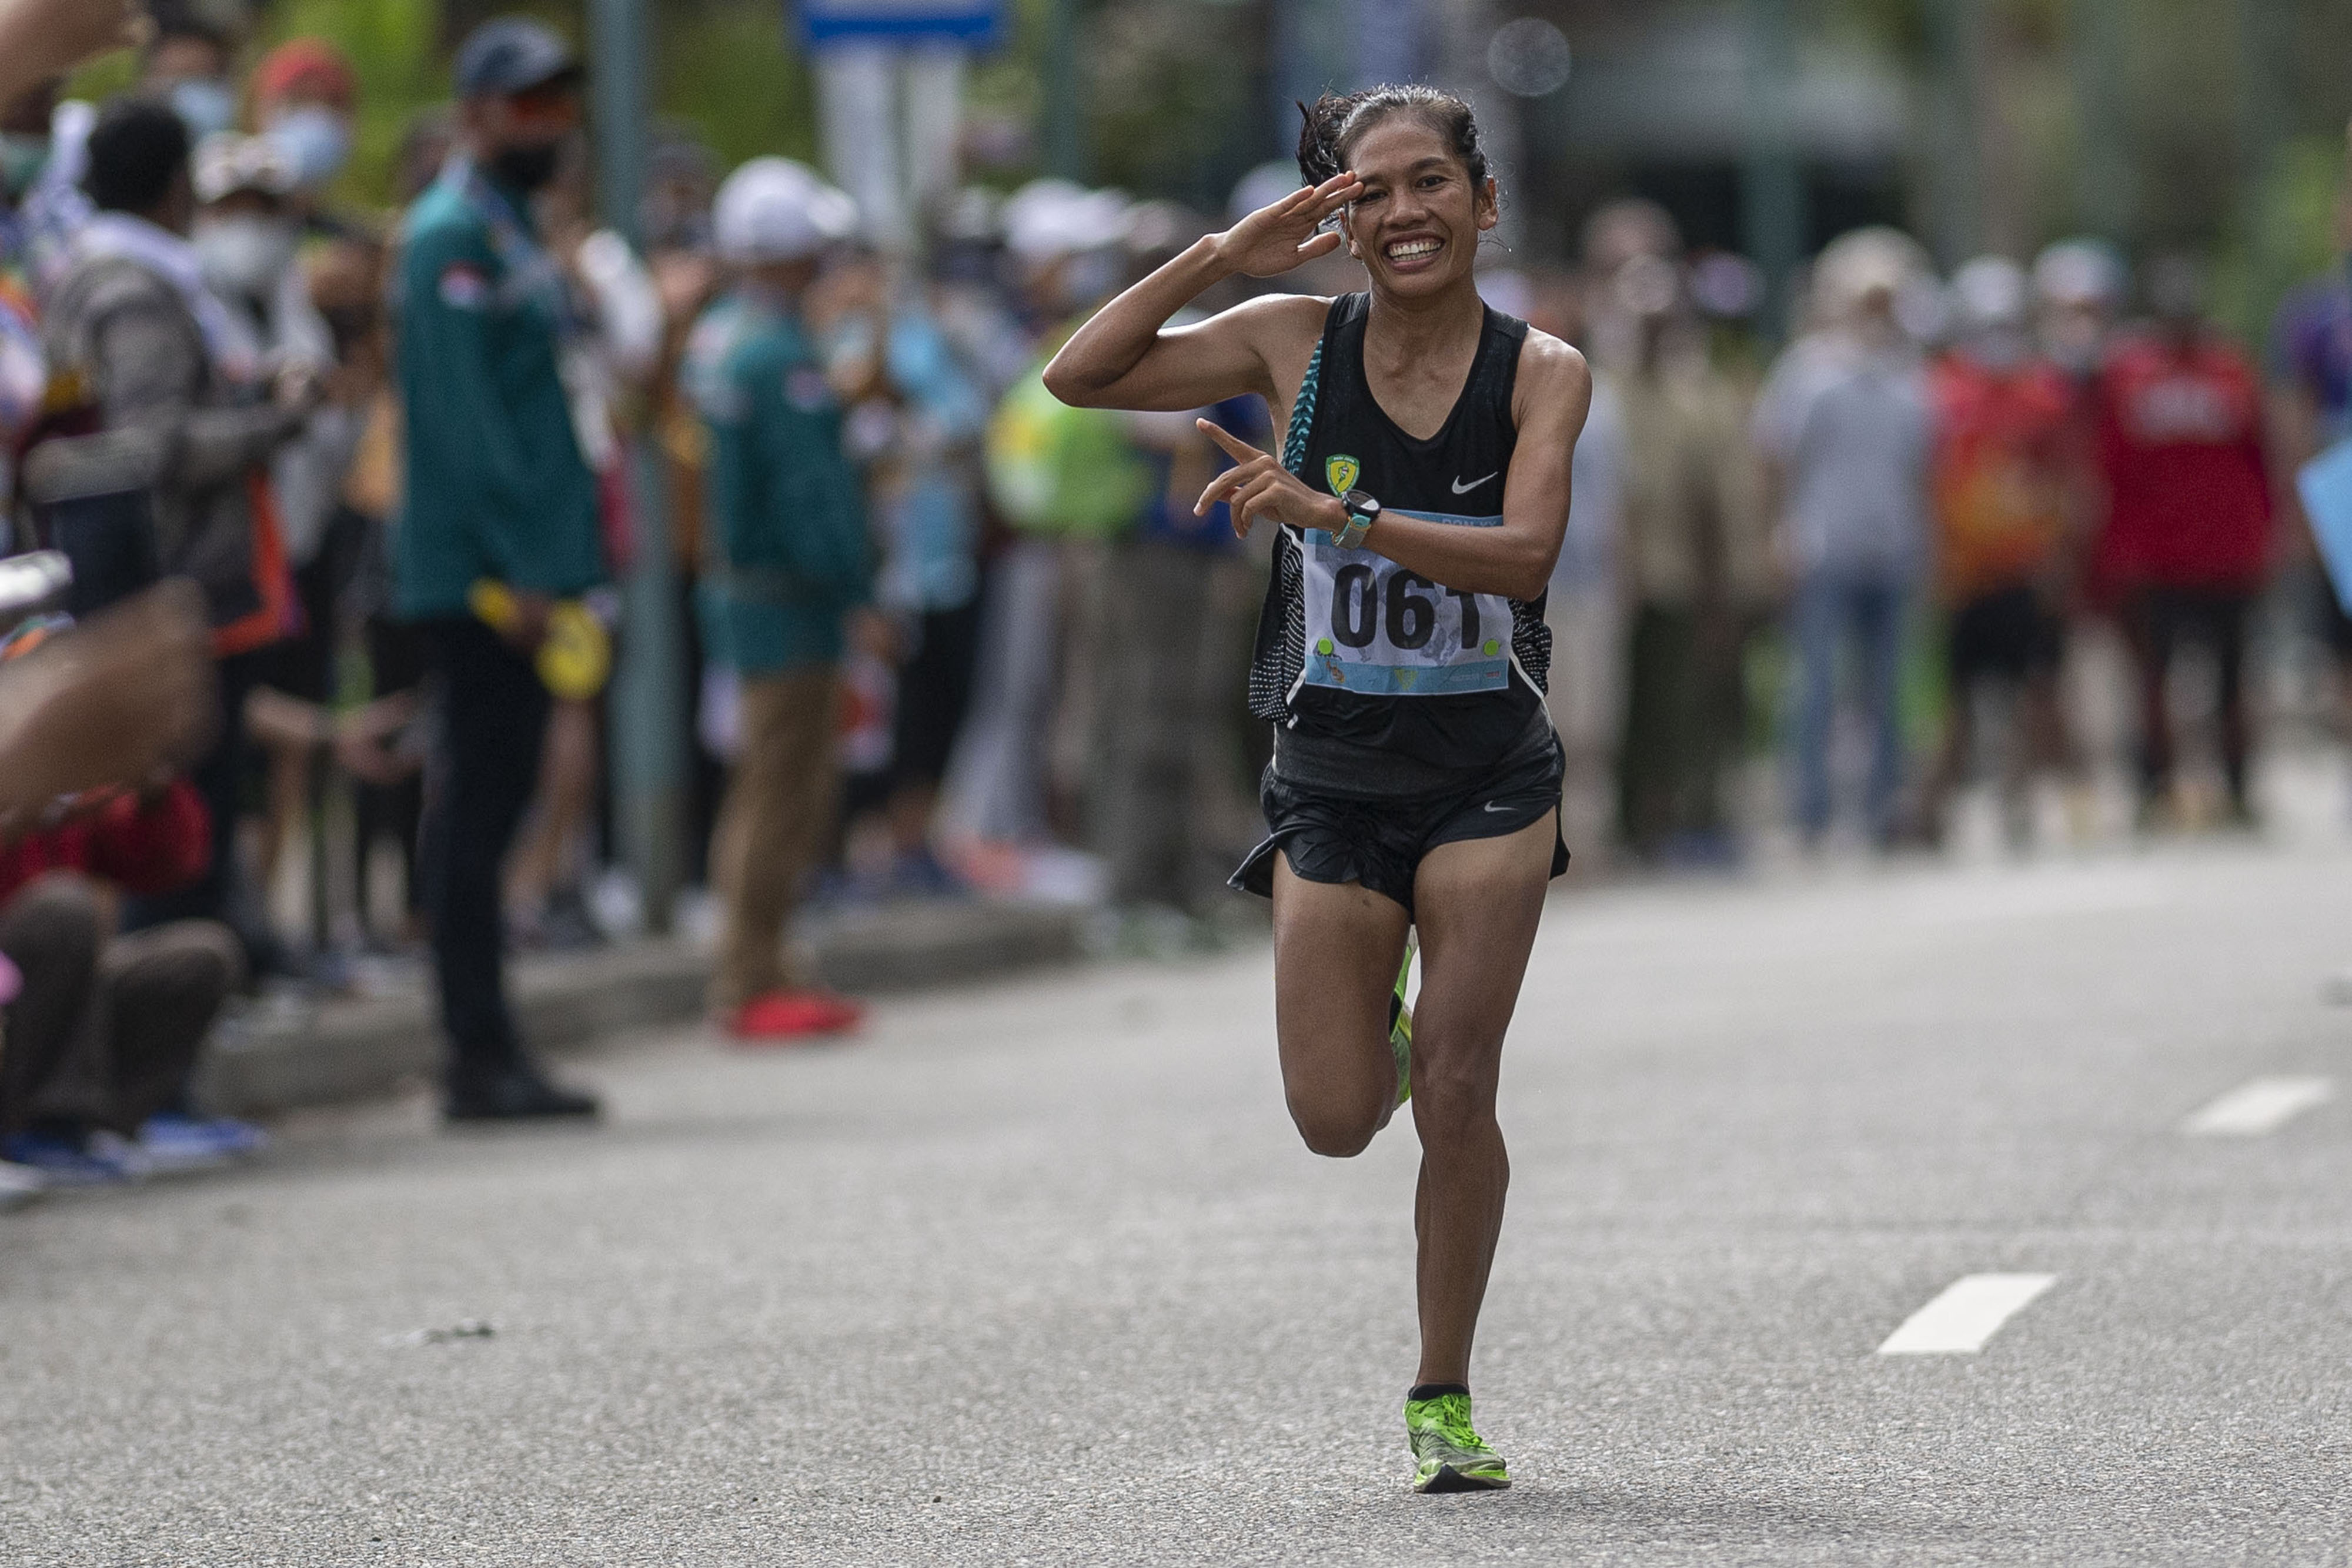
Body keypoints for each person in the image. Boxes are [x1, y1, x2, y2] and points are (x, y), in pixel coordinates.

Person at [1044, 84, 1591, 1492]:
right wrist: (1224, 255)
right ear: (1335, 218)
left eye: (1430, 184)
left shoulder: (1542, 371)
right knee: (1339, 1116)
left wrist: (1336, 515)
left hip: (1486, 768)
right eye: (1370, 192)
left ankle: (1442, 1396)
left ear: (1483, 202)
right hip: (1334, 773)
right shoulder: (1291, 341)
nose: (1404, 212)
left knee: (1461, 1089)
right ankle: (1389, 1026)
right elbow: (1080, 378)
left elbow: (1523, 558)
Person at [394, 18, 602, 1121]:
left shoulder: (512, 227)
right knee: (473, 810)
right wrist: (522, 565)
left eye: (559, 105)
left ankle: (491, 1038)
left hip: (526, 566)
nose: (549, 125)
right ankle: (474, 1051)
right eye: (527, 106)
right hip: (479, 576)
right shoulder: (448, 238)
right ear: (474, 115)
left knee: (499, 799)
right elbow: (467, 426)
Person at [682, 156, 870, 1041]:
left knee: (762, 783)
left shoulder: (720, 338)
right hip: (788, 600)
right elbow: (811, 494)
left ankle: (766, 963)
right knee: (782, 790)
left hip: (739, 588)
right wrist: (856, 584)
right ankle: (749, 974)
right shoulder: (780, 358)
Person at [1753, 228, 1933, 849]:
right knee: (1817, 684)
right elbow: (1777, 460)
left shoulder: (1908, 377)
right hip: (1825, 546)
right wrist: (1776, 533)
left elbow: (1919, 471)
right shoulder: (1809, 372)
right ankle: (1810, 813)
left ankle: (1883, 810)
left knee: (1886, 689)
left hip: (1891, 547)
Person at [2097, 255, 2274, 828]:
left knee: (2231, 680)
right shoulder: (2129, 375)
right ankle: (2154, 788)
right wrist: (2115, 549)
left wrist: (2270, 533)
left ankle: (2238, 787)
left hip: (2227, 553)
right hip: (2155, 557)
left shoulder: (2230, 371)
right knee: (2154, 682)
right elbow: (2109, 469)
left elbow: (2259, 457)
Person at [1913, 257, 2084, 847]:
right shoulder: (1940, 393)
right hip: (1963, 574)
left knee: (2034, 696)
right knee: (1957, 702)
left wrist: (2058, 559)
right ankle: (1930, 814)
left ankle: (2027, 804)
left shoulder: (2045, 397)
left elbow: (2065, 482)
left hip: (2023, 567)